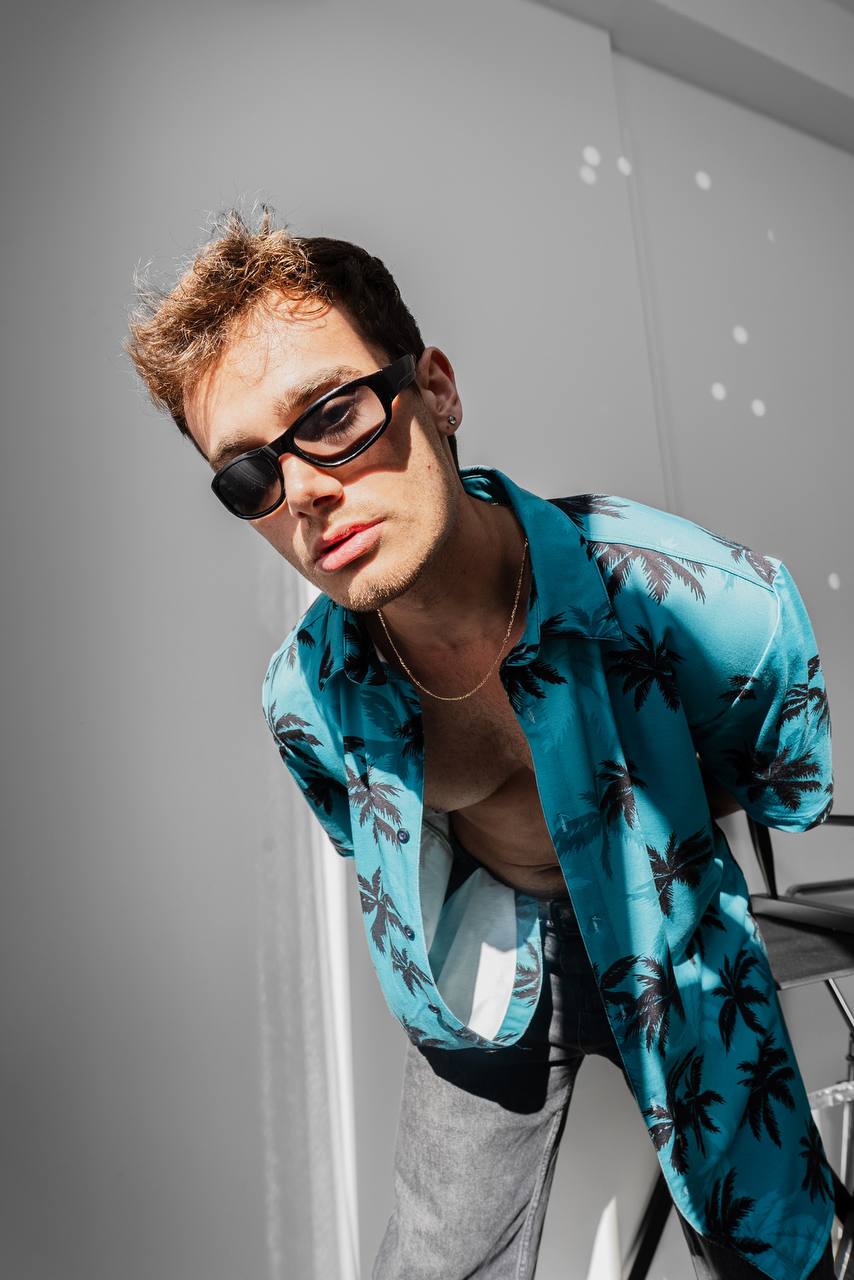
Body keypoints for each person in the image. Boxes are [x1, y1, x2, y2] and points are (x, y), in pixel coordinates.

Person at [126, 207, 836, 1280]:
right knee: (431, 1262)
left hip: (674, 926)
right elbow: (377, 842)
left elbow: (780, 773)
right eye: (248, 475)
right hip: (488, 964)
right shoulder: (306, 700)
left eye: (332, 413)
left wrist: (662, 841)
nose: (303, 490)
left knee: (771, 1240)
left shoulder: (706, 603)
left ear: (437, 392)